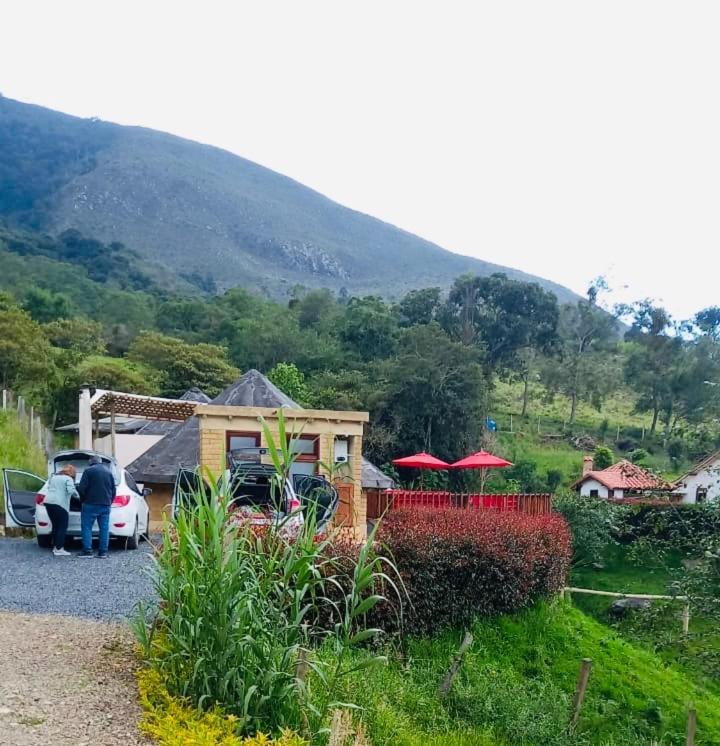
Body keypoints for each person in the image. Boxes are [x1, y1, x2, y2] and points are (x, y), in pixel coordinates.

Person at [77, 455, 115, 558]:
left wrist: (83, 500)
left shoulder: (88, 471)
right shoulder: (109, 472)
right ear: (100, 462)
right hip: (105, 504)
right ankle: (103, 552)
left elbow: (81, 488)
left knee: (87, 527)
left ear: (91, 462)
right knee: (104, 528)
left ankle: (87, 551)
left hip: (90, 504)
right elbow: (113, 490)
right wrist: (109, 501)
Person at [43, 464, 78, 557]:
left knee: (55, 525)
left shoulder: (54, 477)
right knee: (62, 526)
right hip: (59, 504)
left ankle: (55, 547)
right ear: (72, 473)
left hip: (48, 502)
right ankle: (59, 549)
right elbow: (71, 491)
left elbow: (49, 488)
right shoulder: (68, 479)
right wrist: (79, 496)